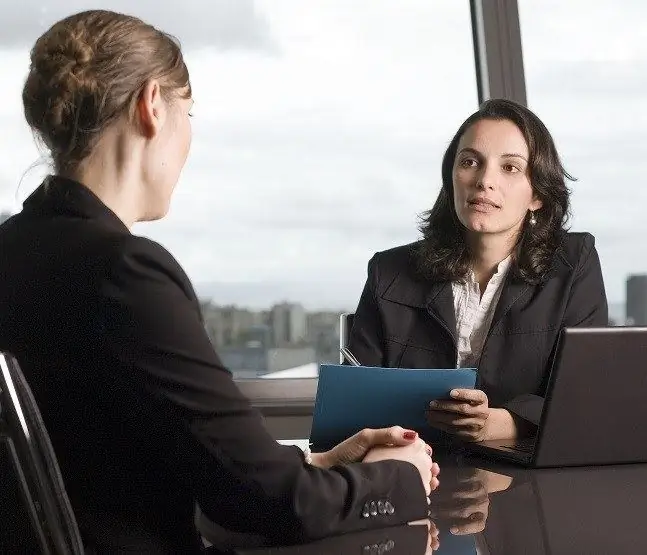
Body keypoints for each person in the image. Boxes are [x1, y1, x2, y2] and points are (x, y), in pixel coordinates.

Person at [0, 10, 440, 554]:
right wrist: (400, 477)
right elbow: (269, 504)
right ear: (152, 105)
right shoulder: (125, 272)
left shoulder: (16, 252)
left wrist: (319, 462)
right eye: (190, 113)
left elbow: (120, 461)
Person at [347, 98, 608, 442]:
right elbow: (353, 406)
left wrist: (501, 423)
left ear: (537, 195)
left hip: (527, 473)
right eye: (470, 161)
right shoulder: (389, 271)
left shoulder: (574, 264)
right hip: (406, 468)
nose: (484, 180)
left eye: (510, 167)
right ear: (452, 178)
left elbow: (587, 395)